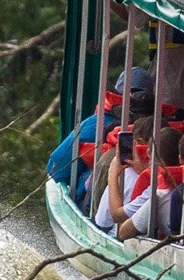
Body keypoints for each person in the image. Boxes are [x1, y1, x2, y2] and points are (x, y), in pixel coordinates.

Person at [47, 67, 154, 202]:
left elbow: (56, 167)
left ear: (117, 93)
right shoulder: (161, 127)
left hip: (99, 208)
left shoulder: (95, 124)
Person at [92, 103, 157, 233]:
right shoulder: (173, 183)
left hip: (114, 230)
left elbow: (105, 220)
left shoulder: (121, 169)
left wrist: (112, 174)